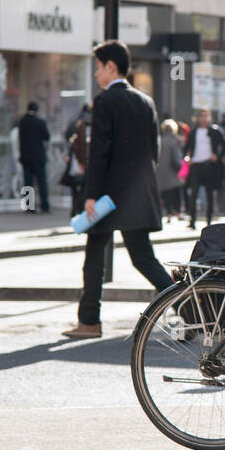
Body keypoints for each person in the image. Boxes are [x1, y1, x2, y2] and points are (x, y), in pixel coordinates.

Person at [63, 40, 174, 339]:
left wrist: (90, 195)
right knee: (142, 257)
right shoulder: (145, 101)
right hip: (137, 193)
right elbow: (154, 151)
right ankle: (189, 307)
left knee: (95, 258)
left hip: (108, 196)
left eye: (98, 67)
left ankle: (89, 322)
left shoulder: (105, 102)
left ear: (111, 67)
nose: (96, 73)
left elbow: (100, 152)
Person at [183, 107, 225, 229]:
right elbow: (186, 148)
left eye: (206, 116)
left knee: (210, 194)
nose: (203, 118)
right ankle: (192, 220)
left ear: (209, 118)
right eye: (201, 116)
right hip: (196, 166)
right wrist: (187, 158)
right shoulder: (193, 132)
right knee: (194, 194)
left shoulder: (215, 131)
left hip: (210, 166)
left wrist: (217, 156)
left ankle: (209, 220)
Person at [16, 101, 51, 213]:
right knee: (42, 182)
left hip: (26, 157)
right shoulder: (40, 121)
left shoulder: (22, 121)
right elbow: (46, 136)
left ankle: (29, 207)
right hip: (38, 157)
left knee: (28, 183)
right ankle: (45, 206)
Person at [61, 103, 92, 211]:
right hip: (84, 161)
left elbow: (66, 137)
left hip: (74, 160)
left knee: (75, 188)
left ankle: (75, 209)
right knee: (84, 188)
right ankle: (80, 209)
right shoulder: (89, 123)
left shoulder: (75, 121)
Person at [156, 118, 185, 219]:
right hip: (175, 170)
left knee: (166, 192)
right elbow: (179, 155)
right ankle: (177, 212)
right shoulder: (177, 140)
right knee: (176, 191)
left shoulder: (160, 140)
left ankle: (168, 212)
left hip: (162, 170)